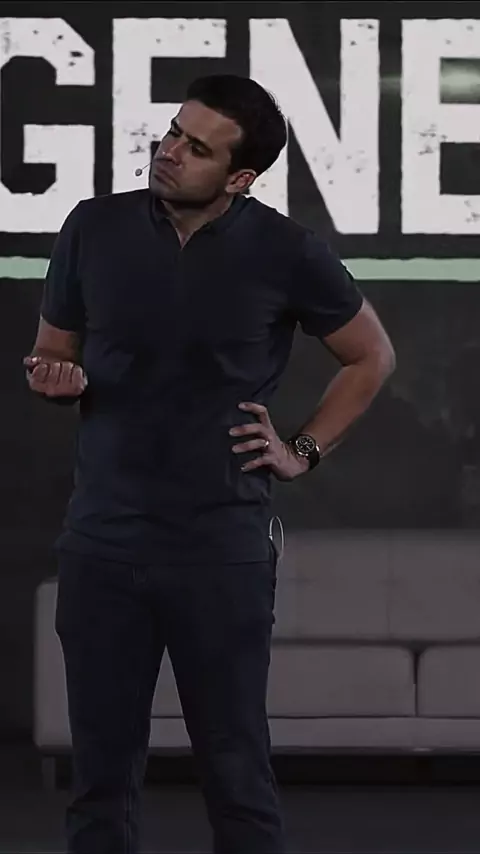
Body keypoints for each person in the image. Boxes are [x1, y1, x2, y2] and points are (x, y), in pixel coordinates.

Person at [25, 74, 395, 854]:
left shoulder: (286, 251)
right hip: (102, 545)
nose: (169, 151)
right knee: (100, 781)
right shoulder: (93, 226)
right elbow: (52, 350)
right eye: (172, 133)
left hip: (221, 549)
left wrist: (301, 450)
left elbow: (371, 356)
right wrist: (55, 378)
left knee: (236, 771)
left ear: (240, 177)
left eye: (197, 147)